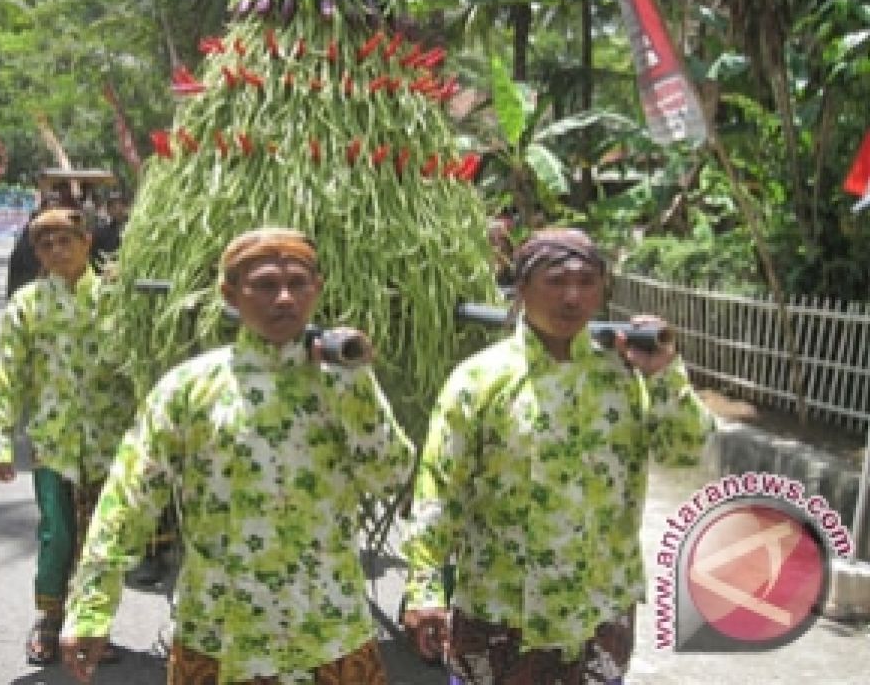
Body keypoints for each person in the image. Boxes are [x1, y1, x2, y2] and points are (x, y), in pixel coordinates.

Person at [60, 227, 415, 685]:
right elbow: (128, 502)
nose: (284, 298)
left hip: (330, 634)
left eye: (298, 284)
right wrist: (90, 609)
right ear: (230, 294)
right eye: (266, 284)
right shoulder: (189, 389)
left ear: (317, 289)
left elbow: (393, 478)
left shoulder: (344, 382)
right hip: (219, 637)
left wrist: (356, 390)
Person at [401, 227, 714, 685]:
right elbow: (439, 489)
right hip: (500, 615)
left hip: (598, 615)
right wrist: (424, 587)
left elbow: (687, 450)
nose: (573, 297)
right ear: (522, 287)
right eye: (556, 281)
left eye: (587, 282)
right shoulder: (480, 379)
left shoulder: (626, 377)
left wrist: (666, 374)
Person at [0, 207, 131, 667]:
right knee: (57, 534)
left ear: (87, 241)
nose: (55, 250)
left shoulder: (117, 296)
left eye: (64, 240)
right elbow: (8, 375)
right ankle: (51, 619)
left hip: (110, 441)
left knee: (101, 538)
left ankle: (91, 628)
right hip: (54, 442)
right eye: (45, 244)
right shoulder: (26, 304)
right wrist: (1, 441)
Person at [88, 192, 128, 274]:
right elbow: (94, 255)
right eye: (113, 207)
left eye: (121, 205)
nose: (118, 209)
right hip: (109, 273)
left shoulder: (136, 228)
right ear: (108, 210)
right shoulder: (100, 231)